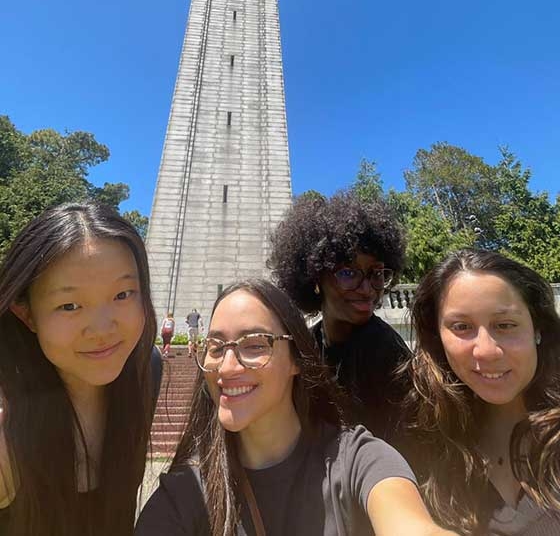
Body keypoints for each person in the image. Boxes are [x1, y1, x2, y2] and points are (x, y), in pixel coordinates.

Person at [136, 278, 459, 536]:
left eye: (254, 345)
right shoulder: (186, 491)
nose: (227, 366)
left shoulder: (359, 461)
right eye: (216, 346)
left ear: (296, 360)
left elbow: (408, 523)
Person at [0, 202, 157, 536]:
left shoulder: (145, 371)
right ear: (26, 314)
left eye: (122, 294)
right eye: (69, 305)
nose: (101, 329)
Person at [401, 249, 560, 536]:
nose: (486, 350)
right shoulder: (426, 448)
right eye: (462, 327)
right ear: (438, 339)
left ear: (538, 329)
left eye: (505, 325)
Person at [269, 191, 410, 442]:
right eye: (348, 273)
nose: (367, 290)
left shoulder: (387, 352)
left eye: (376, 274)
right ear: (315, 279)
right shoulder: (305, 347)